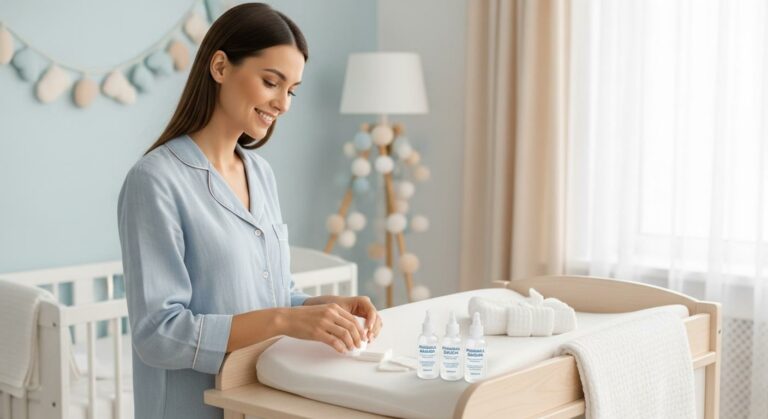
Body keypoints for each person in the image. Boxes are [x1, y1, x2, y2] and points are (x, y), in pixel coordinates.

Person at [117, 3, 382, 418]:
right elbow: (158, 334)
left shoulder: (260, 173)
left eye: (291, 90)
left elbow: (274, 295)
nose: (283, 104)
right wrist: (282, 321)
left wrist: (325, 308)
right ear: (220, 67)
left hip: (259, 401)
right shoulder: (155, 180)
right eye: (271, 82)